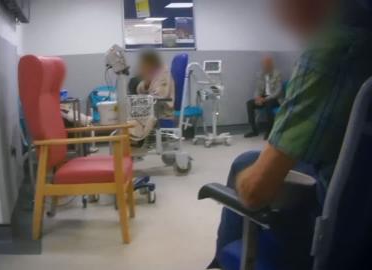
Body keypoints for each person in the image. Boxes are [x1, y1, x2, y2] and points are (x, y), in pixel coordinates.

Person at [210, 0, 372, 269]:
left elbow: (254, 192)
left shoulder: (336, 48)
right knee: (248, 157)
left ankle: (223, 262)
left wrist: (246, 182)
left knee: (245, 171)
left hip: (330, 236)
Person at [128, 50, 175, 142]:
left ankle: (136, 142)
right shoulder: (152, 74)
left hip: (161, 111)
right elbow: (142, 90)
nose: (141, 67)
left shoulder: (163, 73)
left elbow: (160, 95)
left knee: (131, 120)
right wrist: (147, 82)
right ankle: (134, 142)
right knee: (129, 114)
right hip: (153, 108)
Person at [244, 56, 283, 139]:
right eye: (264, 64)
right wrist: (257, 97)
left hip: (274, 98)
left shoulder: (277, 73)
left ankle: (269, 131)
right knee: (249, 103)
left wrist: (265, 99)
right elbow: (257, 89)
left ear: (271, 65)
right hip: (263, 97)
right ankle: (254, 131)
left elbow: (278, 91)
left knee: (268, 105)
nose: (265, 66)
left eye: (267, 64)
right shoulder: (260, 74)